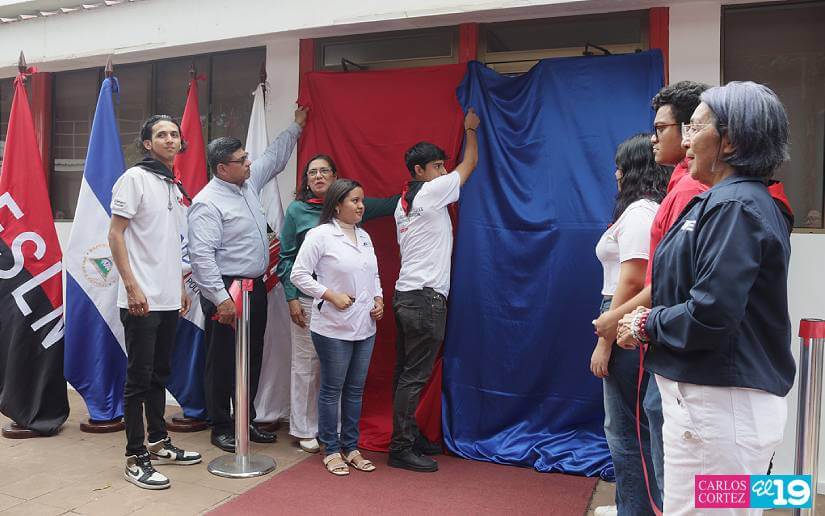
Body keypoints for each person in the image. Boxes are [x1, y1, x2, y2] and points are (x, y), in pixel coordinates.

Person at [617, 81, 796, 515]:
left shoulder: (735, 206)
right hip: (714, 408)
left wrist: (644, 323)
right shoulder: (728, 201)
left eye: (695, 128)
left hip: (718, 410)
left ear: (729, 141)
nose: (686, 141)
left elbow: (711, 313)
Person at [592, 81, 709, 511]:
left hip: (658, 333)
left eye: (663, 128)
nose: (616, 174)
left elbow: (652, 281)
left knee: (636, 435)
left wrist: (615, 325)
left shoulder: (689, 197)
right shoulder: (680, 191)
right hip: (653, 329)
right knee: (652, 438)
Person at [188, 106, 307, 453]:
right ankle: (221, 426)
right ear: (222, 168)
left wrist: (296, 127)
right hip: (226, 289)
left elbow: (273, 159)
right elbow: (201, 257)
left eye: (246, 157)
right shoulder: (207, 203)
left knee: (251, 356)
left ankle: (244, 420)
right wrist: (221, 299)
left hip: (253, 288)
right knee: (223, 360)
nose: (249, 163)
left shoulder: (247, 184)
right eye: (241, 160)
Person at [276, 154, 398, 454]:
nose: (318, 176)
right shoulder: (299, 212)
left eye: (324, 171)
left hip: (357, 315)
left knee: (344, 379)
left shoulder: (357, 222)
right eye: (312, 172)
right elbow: (288, 258)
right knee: (308, 367)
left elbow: (389, 207)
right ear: (306, 180)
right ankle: (305, 429)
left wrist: (421, 191)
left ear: (335, 179)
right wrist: (292, 297)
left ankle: (340, 435)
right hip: (310, 301)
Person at [109, 115, 202, 490]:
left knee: (160, 374)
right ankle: (135, 457)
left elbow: (169, 244)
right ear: (147, 143)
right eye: (161, 135)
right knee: (139, 379)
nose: (169, 139)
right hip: (140, 299)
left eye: (174, 134)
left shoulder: (172, 184)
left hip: (167, 298)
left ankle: (159, 442)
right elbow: (116, 235)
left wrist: (178, 286)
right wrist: (131, 286)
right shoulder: (134, 179)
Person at [388, 108, 480, 472]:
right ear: (419, 171)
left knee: (405, 373)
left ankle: (407, 435)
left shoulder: (403, 204)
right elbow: (469, 165)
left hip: (406, 295)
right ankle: (401, 448)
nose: (444, 171)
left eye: (443, 166)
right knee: (414, 375)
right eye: (437, 166)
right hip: (425, 297)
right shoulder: (431, 191)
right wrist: (470, 130)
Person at [590, 134, 669, 516]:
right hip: (621, 312)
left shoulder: (640, 213)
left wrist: (605, 339)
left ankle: (636, 509)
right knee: (628, 427)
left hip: (622, 314)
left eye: (621, 167)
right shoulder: (643, 211)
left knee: (626, 430)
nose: (616, 174)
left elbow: (634, 280)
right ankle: (632, 505)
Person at [290, 178, 383, 475]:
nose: (361, 206)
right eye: (355, 200)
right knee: (332, 389)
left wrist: (379, 298)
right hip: (332, 327)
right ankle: (330, 448)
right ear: (338, 204)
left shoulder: (364, 236)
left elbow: (373, 274)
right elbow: (298, 275)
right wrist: (329, 295)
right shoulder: (320, 235)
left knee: (355, 390)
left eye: (362, 200)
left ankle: (351, 447)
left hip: (365, 325)